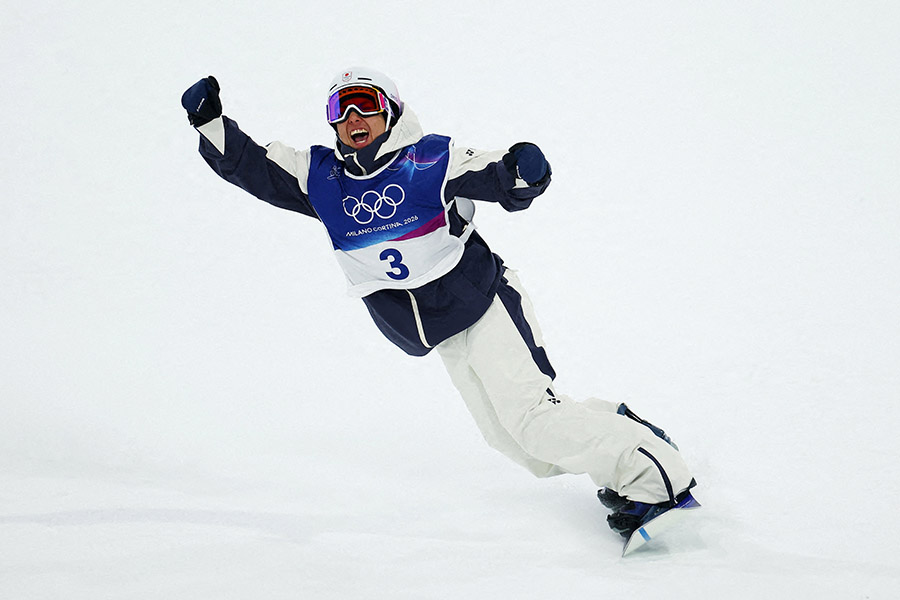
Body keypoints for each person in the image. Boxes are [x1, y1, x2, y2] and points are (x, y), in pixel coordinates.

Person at [181, 67, 697, 542]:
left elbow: (495, 174)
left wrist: (522, 172)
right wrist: (210, 123)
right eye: (341, 109)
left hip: (485, 305)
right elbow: (254, 167)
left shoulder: (427, 160)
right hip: (441, 329)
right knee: (514, 443)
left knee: (534, 423)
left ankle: (659, 482)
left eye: (365, 104)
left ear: (391, 111)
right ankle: (624, 430)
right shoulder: (319, 177)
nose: (354, 118)